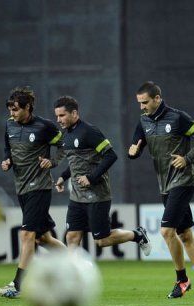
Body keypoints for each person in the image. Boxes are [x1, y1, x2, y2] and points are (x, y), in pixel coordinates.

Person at [128, 81, 194, 298]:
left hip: (183, 180)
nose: (142, 107)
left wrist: (187, 159)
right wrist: (133, 152)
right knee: (184, 234)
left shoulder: (178, 117)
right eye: (139, 103)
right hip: (165, 184)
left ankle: (182, 280)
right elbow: (136, 147)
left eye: (145, 102)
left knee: (166, 231)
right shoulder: (143, 121)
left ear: (157, 99)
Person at [53, 96, 151, 255]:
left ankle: (137, 234)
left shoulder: (89, 131)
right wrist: (63, 177)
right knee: (72, 236)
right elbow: (77, 162)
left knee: (102, 240)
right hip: (77, 196)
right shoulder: (66, 135)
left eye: (62, 115)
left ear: (74, 113)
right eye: (57, 116)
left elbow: (111, 156)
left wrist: (91, 177)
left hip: (97, 195)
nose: (58, 119)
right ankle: (72, 278)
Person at [0, 87, 67, 298]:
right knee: (43, 239)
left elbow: (64, 145)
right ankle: (79, 264)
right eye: (10, 109)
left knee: (27, 234)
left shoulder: (44, 126)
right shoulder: (9, 125)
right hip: (22, 187)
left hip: (40, 186)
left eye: (16, 109)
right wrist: (7, 160)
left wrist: (52, 161)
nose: (12, 114)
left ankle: (19, 284)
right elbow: (8, 147)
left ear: (28, 107)